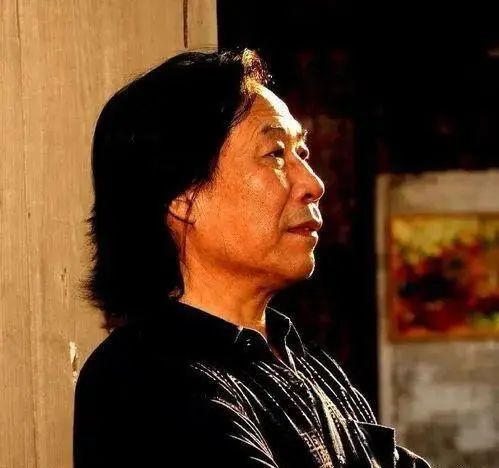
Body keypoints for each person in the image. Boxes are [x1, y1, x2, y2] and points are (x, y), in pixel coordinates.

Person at [73, 48, 432, 467]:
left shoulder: (305, 362)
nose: (313, 184)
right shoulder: (144, 381)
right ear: (184, 196)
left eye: (302, 154)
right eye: (275, 154)